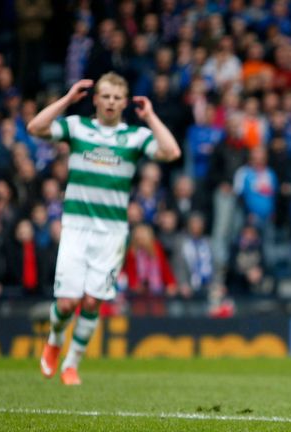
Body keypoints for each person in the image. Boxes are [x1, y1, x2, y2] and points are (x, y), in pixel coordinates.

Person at [27, 72, 181, 385]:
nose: (110, 102)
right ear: (95, 99)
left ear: (124, 103)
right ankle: (56, 340)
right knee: (67, 302)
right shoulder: (77, 127)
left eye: (116, 98)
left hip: (111, 233)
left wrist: (150, 116)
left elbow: (171, 151)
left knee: (92, 301)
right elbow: (36, 128)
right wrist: (68, 99)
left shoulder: (135, 137)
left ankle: (71, 365)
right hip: (76, 227)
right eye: (105, 96)